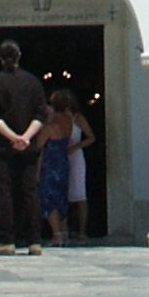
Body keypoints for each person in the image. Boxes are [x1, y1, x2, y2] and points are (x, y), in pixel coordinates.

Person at [0, 37, 49, 255]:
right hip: (29, 147)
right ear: (19, 56)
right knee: (30, 191)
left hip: (2, 147)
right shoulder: (33, 83)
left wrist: (13, 138)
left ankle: (7, 240)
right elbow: (41, 114)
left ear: (0, 58)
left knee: (3, 192)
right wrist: (26, 138)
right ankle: (34, 240)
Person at [38, 91, 79, 245]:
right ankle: (64, 232)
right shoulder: (69, 121)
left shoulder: (51, 127)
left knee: (49, 198)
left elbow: (39, 145)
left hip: (51, 163)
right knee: (62, 196)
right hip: (63, 162)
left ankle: (56, 234)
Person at [60, 88, 96, 243]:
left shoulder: (78, 118)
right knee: (62, 193)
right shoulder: (56, 118)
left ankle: (82, 231)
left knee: (79, 194)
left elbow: (91, 137)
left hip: (75, 157)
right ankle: (63, 230)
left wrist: (76, 146)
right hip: (60, 156)